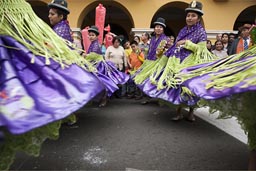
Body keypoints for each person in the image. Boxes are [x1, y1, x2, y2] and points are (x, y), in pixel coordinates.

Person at [0, 0, 105, 169]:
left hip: (58, 61)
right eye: (49, 14)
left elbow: (58, 49)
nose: (49, 17)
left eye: (52, 14)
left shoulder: (61, 30)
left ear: (61, 16)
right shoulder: (57, 28)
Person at [134, 0, 216, 121]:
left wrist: (187, 43)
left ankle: (191, 112)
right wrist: (164, 59)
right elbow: (175, 45)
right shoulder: (183, 30)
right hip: (177, 62)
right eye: (188, 15)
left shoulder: (201, 32)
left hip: (191, 64)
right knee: (177, 87)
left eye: (193, 16)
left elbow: (202, 49)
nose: (189, 18)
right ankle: (178, 111)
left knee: (190, 88)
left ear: (198, 19)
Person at [86, 25, 129, 107]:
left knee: (103, 83)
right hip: (95, 66)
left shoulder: (96, 44)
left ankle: (104, 99)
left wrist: (85, 55)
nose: (91, 37)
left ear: (96, 36)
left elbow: (93, 55)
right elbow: (104, 56)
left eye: (93, 35)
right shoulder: (93, 44)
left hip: (98, 67)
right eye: (90, 35)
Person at [135, 17, 170, 104]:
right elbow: (150, 50)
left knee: (157, 80)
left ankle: (160, 98)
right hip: (149, 61)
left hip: (159, 63)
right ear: (154, 28)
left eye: (160, 27)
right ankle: (147, 97)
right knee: (146, 79)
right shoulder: (153, 38)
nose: (158, 29)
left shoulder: (166, 39)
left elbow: (168, 52)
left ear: (163, 29)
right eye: (157, 27)